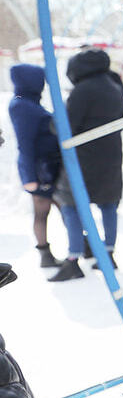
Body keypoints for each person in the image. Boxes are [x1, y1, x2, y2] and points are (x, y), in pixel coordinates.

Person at [50, 49, 123, 281]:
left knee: (71, 205)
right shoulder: (114, 83)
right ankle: (108, 253)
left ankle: (73, 259)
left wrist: (53, 123)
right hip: (112, 152)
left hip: (83, 157)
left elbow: (66, 125)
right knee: (108, 204)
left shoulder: (82, 90)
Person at [8, 64, 64, 267]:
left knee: (61, 207)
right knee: (44, 211)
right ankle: (45, 255)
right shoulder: (22, 105)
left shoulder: (28, 103)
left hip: (47, 166)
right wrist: (29, 177)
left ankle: (82, 245)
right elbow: (25, 143)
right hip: (40, 170)